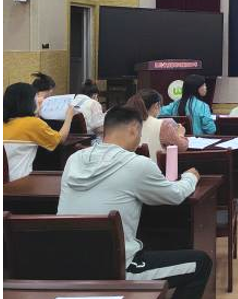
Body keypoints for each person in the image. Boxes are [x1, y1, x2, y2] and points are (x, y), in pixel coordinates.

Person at [57, 106, 210, 299]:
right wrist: (190, 177)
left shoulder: (74, 160)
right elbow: (175, 195)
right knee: (200, 263)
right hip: (117, 268)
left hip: (66, 263)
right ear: (133, 130)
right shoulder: (137, 164)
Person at [3, 82, 74, 181]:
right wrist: (69, 116)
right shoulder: (32, 124)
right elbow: (60, 139)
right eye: (36, 98)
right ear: (28, 102)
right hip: (19, 183)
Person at [126, 89, 189, 159]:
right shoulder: (162, 125)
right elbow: (182, 147)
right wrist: (180, 134)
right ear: (156, 105)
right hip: (154, 165)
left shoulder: (125, 124)